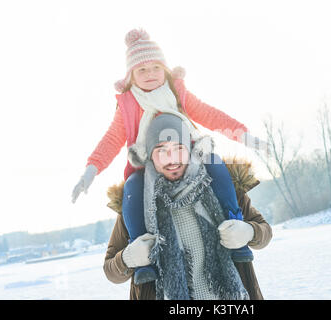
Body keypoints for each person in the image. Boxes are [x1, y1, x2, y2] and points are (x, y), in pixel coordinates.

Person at [71, 28, 268, 283]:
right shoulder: (129, 104)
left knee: (217, 166)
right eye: (141, 70)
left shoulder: (176, 92)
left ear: (165, 68)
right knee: (132, 189)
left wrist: (244, 135)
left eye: (155, 67)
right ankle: (144, 254)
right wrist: (90, 171)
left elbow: (210, 115)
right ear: (131, 75)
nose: (150, 74)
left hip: (195, 152)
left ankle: (233, 225)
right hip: (145, 165)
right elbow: (111, 140)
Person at [103, 114, 272, 300]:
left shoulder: (222, 187)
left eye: (178, 148)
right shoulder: (135, 206)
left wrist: (249, 232)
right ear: (149, 156)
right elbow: (110, 270)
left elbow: (265, 232)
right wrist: (128, 259)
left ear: (190, 149)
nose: (172, 158)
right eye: (161, 150)